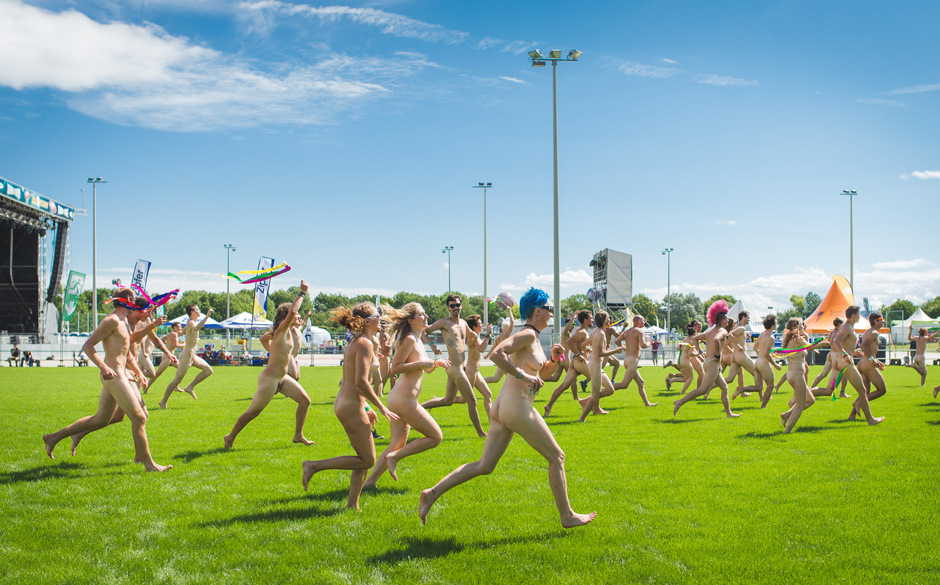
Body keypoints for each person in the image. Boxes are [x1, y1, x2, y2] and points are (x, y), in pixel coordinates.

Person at [418, 288, 595, 529]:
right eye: (549, 309)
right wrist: (523, 375)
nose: (552, 313)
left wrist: (553, 360)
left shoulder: (534, 337)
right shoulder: (527, 335)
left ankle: (431, 494)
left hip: (504, 407)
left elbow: (543, 375)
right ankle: (567, 516)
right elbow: (497, 354)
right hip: (516, 407)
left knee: (484, 465)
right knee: (557, 457)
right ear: (538, 311)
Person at [42, 287, 172, 471]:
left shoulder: (122, 322)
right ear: (127, 299)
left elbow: (127, 347)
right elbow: (88, 346)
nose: (136, 303)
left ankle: (53, 438)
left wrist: (138, 370)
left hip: (118, 375)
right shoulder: (111, 320)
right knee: (140, 418)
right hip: (114, 375)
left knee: (101, 420)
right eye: (134, 299)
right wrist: (103, 367)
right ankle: (149, 464)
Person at [301, 302, 398, 509]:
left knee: (361, 457)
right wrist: (380, 406)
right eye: (377, 316)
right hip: (351, 405)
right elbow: (361, 381)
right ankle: (313, 466)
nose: (380, 319)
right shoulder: (364, 343)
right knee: (368, 460)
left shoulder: (360, 341)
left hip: (349, 402)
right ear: (367, 321)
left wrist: (367, 407)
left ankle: (352, 505)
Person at [362, 303, 450, 489]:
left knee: (397, 443)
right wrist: (424, 363)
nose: (426, 316)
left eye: (425, 313)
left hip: (401, 399)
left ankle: (370, 482)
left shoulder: (417, 339)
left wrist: (434, 364)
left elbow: (422, 369)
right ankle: (394, 458)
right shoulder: (410, 338)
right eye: (421, 314)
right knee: (435, 437)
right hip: (404, 400)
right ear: (411, 320)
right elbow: (396, 367)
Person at [225, 281, 314, 448]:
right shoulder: (281, 329)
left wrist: (272, 352)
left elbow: (265, 339)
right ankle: (230, 437)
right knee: (253, 412)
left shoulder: (287, 331)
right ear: (287, 316)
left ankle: (298, 435)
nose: (298, 316)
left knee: (305, 401)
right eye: (296, 315)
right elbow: (293, 310)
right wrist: (302, 292)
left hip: (282, 378)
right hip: (270, 379)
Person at [420, 294, 487, 438]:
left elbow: (473, 337)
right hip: (455, 368)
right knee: (472, 400)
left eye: (457, 305)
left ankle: (417, 408)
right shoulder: (444, 323)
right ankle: (481, 433)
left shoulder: (463, 323)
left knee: (447, 401)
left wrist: (484, 336)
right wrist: (432, 346)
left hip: (458, 367)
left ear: (461, 306)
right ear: (448, 308)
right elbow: (424, 332)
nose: (455, 308)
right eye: (452, 306)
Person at [673, 300, 740, 419]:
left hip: (709, 363)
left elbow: (695, 338)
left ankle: (729, 414)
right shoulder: (722, 331)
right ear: (722, 320)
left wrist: (699, 350)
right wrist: (718, 355)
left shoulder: (710, 331)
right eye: (726, 318)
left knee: (724, 387)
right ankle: (679, 402)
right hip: (713, 364)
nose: (728, 320)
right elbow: (716, 340)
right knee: (702, 390)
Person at [831, 306, 884, 425]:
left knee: (829, 390)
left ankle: (853, 415)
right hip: (846, 362)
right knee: (864, 390)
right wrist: (844, 354)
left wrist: (853, 352)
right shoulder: (846, 327)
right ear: (853, 315)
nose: (860, 316)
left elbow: (845, 343)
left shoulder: (849, 327)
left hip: (849, 361)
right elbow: (835, 341)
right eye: (859, 314)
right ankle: (870, 419)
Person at [158, 305, 214, 409]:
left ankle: (190, 387)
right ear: (192, 312)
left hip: (191, 355)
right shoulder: (192, 323)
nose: (199, 311)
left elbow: (181, 332)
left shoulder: (190, 323)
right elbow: (196, 328)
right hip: (187, 355)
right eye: (197, 309)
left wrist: (165, 337)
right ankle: (163, 401)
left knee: (208, 370)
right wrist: (207, 316)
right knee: (177, 380)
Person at [779, 318, 828, 433]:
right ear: (796, 326)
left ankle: (786, 415)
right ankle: (787, 431)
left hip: (792, 374)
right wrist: (822, 344)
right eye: (801, 324)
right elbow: (809, 346)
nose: (803, 326)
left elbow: (805, 347)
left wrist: (816, 347)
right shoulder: (796, 338)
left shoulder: (790, 339)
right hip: (797, 375)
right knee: (801, 404)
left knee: (810, 400)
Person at [543, 311, 592, 417]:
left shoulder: (573, 333)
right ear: (567, 324)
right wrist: (573, 319)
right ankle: (576, 398)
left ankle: (539, 379)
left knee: (556, 378)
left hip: (562, 358)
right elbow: (567, 331)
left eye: (574, 324)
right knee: (573, 380)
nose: (572, 326)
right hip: (564, 358)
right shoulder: (566, 333)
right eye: (571, 324)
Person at [579, 311, 624, 421]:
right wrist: (615, 351)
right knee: (595, 395)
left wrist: (589, 349)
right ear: (604, 320)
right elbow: (599, 353)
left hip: (595, 366)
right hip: (595, 367)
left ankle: (587, 402)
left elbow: (583, 345)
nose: (610, 320)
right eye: (608, 318)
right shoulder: (600, 334)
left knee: (610, 389)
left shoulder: (596, 331)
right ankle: (582, 419)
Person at [611, 315, 658, 407]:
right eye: (643, 320)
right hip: (632, 362)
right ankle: (601, 392)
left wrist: (624, 347)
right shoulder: (639, 331)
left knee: (641, 382)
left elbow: (617, 341)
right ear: (639, 321)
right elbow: (643, 345)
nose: (644, 322)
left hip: (627, 360)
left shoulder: (627, 331)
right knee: (624, 385)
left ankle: (647, 403)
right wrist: (650, 343)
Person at [852, 313, 890, 420]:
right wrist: (873, 360)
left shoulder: (869, 332)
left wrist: (876, 360)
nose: (883, 321)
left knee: (865, 392)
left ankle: (852, 415)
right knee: (882, 390)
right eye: (881, 319)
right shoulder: (873, 333)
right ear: (875, 321)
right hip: (868, 364)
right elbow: (863, 346)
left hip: (863, 363)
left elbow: (866, 347)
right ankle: (858, 403)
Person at [810, 318, 849, 397]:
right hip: (836, 355)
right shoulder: (840, 333)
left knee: (823, 374)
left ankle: (811, 388)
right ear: (839, 324)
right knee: (844, 374)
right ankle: (842, 392)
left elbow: (828, 342)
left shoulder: (831, 332)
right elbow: (836, 342)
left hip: (830, 354)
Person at [665, 321, 704, 395]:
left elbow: (677, 347)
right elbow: (691, 353)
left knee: (686, 377)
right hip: (686, 360)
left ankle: (671, 379)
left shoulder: (684, 341)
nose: (700, 329)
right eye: (699, 327)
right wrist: (698, 353)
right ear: (694, 332)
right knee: (691, 378)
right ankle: (683, 392)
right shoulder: (692, 341)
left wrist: (684, 350)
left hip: (679, 359)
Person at [726, 312, 758, 399]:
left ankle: (708, 388)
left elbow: (733, 336)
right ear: (743, 317)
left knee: (729, 379)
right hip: (741, 356)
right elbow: (730, 335)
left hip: (734, 356)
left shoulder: (738, 328)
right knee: (757, 373)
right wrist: (737, 345)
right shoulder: (741, 328)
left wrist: (744, 338)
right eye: (748, 317)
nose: (749, 319)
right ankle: (743, 390)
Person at [482, 312, 515, 385]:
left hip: (502, 360)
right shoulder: (506, 335)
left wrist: (487, 355)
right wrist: (509, 311)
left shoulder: (498, 338)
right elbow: (512, 322)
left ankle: (477, 381)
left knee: (496, 379)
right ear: (507, 327)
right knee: (514, 377)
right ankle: (477, 381)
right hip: (506, 360)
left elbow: (493, 347)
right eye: (509, 327)